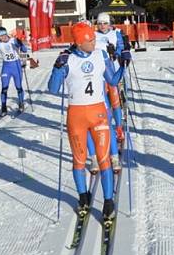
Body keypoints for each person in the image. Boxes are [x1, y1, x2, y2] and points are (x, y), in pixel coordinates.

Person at [47, 22, 130, 223]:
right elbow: (52, 89)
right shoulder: (68, 59)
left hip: (99, 113)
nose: (95, 41)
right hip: (76, 116)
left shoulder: (100, 55)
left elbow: (112, 81)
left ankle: (108, 202)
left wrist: (124, 64)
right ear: (79, 42)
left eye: (94, 38)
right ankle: (83, 197)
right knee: (79, 160)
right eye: (90, 39)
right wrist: (58, 67)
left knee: (104, 160)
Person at [93, 13, 129, 173]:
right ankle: (107, 128)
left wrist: (119, 54)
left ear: (109, 23)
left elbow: (122, 50)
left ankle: (119, 127)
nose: (102, 26)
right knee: (105, 104)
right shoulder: (93, 35)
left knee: (115, 101)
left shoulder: (116, 34)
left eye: (105, 23)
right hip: (98, 75)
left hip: (114, 71)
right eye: (100, 23)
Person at [0, 27, 27, 116]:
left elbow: (24, 50)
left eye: (3, 36)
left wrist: (21, 44)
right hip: (6, 67)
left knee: (18, 86)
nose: (2, 38)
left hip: (16, 66)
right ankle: (3, 108)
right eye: (0, 37)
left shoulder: (14, 40)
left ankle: (21, 104)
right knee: (4, 88)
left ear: (6, 34)